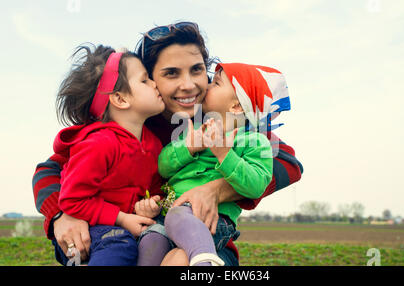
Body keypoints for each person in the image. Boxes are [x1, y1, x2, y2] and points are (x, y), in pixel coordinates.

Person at [32, 22, 304, 266]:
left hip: (200, 242)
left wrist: (217, 189)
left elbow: (288, 162)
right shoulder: (129, 122)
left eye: (197, 70)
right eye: (171, 73)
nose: (189, 85)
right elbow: (50, 170)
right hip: (120, 240)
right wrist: (60, 215)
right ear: (150, 80)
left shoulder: (217, 121)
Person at [137, 62, 290, 266]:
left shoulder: (254, 141)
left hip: (210, 220)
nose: (207, 85)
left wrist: (225, 155)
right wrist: (189, 147)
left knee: (178, 246)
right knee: (150, 241)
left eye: (216, 83)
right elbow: (163, 166)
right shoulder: (193, 131)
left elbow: (257, 185)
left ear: (236, 106)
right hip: (166, 217)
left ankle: (203, 260)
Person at [48, 44, 166, 265]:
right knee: (119, 244)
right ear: (120, 99)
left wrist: (151, 204)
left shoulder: (153, 144)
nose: (154, 83)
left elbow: (155, 187)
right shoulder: (98, 144)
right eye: (144, 80)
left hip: (120, 228)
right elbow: (72, 200)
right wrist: (121, 218)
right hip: (85, 229)